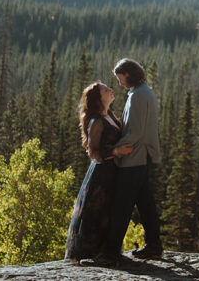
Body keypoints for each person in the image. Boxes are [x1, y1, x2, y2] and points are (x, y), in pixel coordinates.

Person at [90, 58, 163, 265]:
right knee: (145, 203)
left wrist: (115, 150)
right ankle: (154, 246)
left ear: (128, 75)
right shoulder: (144, 92)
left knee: (121, 206)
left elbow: (136, 132)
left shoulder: (138, 96)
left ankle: (110, 252)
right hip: (141, 157)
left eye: (120, 78)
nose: (119, 83)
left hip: (133, 157)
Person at [64, 82, 133, 262]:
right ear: (98, 98)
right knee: (96, 213)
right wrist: (117, 152)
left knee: (109, 213)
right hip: (101, 175)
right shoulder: (96, 121)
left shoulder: (109, 115)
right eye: (105, 89)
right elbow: (93, 152)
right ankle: (90, 255)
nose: (110, 90)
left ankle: (107, 252)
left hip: (113, 173)